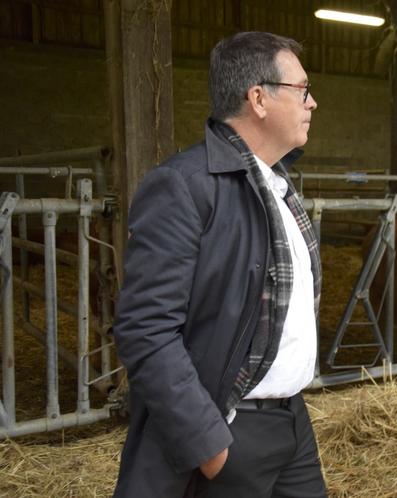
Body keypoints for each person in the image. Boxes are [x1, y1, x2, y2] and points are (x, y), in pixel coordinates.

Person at [112, 31, 326, 498]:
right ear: (258, 99)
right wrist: (210, 447)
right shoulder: (184, 186)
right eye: (302, 90)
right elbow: (144, 329)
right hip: (228, 429)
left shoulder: (276, 185)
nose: (312, 103)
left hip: (292, 424)